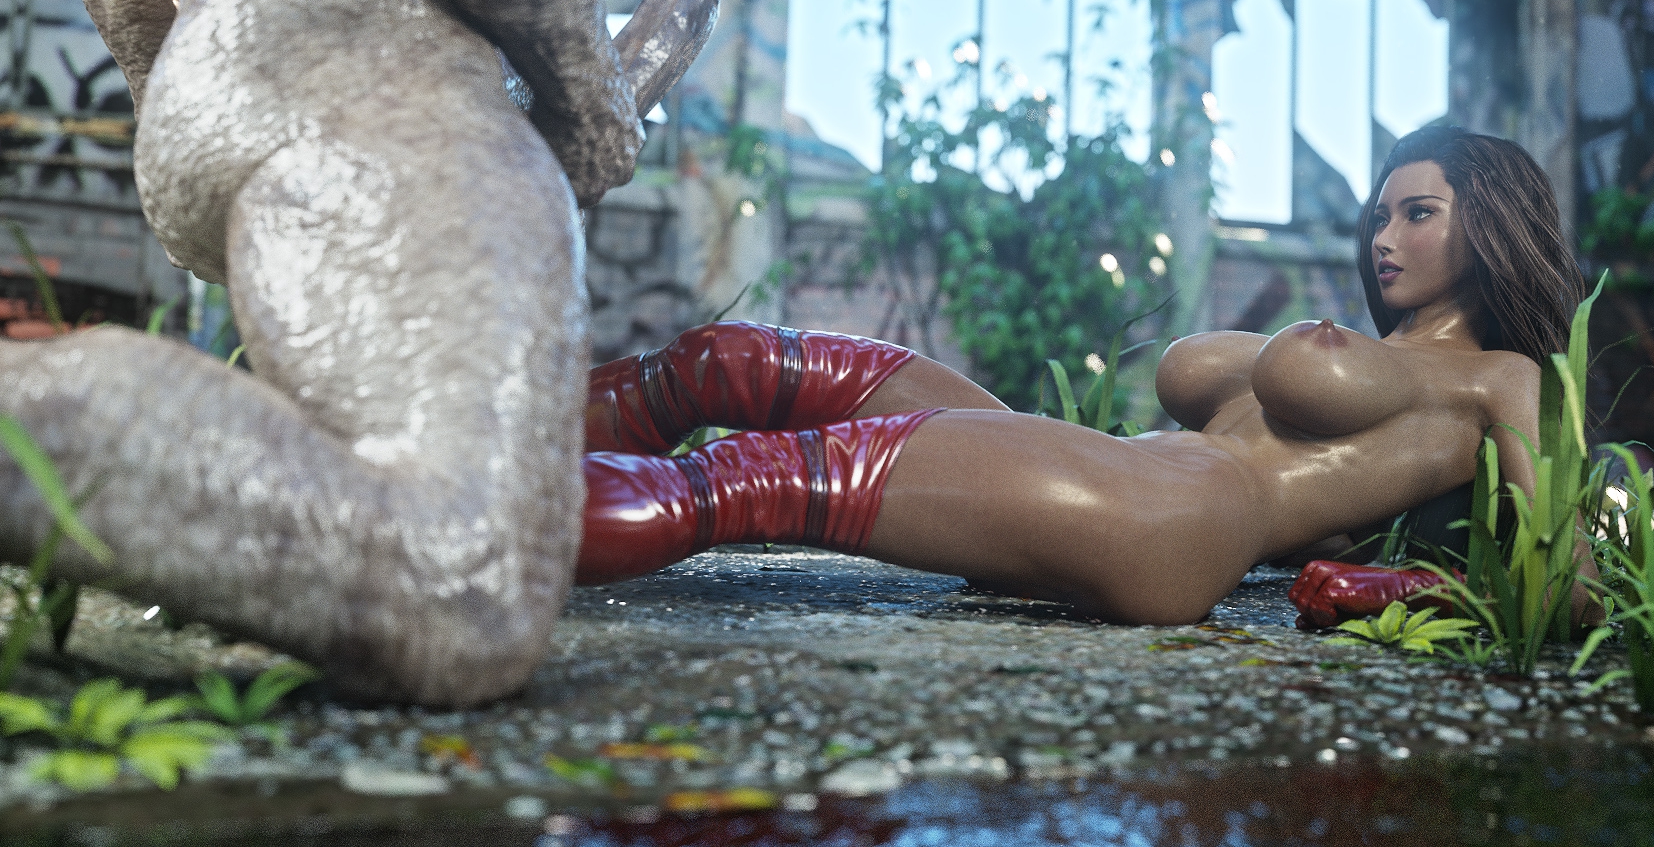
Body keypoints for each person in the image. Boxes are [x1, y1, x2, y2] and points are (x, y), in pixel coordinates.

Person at [573, 124, 1592, 627]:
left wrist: (1398, 589)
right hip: (1109, 477)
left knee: (741, 481)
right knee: (730, 361)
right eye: (1379, 215)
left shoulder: (1506, 380)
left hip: (1170, 518)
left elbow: (1574, 586)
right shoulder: (1384, 376)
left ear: (1493, 224)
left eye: (1419, 214)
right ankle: (523, 423)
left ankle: (490, 523)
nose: (1383, 237)